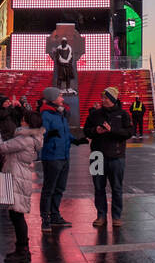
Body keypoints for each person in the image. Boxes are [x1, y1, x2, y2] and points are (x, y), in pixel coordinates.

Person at [0, 106, 45, 263]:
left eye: (23, 120)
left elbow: (0, 147)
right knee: (16, 213)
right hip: (20, 174)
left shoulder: (24, 139)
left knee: (17, 214)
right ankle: (21, 249)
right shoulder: (34, 138)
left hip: (17, 176)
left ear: (27, 123)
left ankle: (23, 250)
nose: (20, 122)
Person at [83, 86, 133, 228]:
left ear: (112, 99)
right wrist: (96, 131)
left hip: (117, 156)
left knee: (117, 187)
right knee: (98, 187)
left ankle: (116, 217)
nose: (103, 100)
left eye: (106, 98)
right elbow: (86, 131)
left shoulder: (123, 115)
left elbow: (129, 132)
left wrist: (112, 131)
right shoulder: (95, 115)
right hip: (97, 156)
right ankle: (101, 215)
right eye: (102, 97)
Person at [39, 86, 76, 230]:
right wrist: (48, 134)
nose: (63, 98)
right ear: (53, 98)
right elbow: (41, 133)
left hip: (64, 155)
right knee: (49, 188)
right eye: (60, 96)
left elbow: (64, 133)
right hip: (52, 156)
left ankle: (55, 215)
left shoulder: (60, 114)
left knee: (60, 187)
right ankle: (45, 218)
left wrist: (74, 140)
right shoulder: (46, 114)